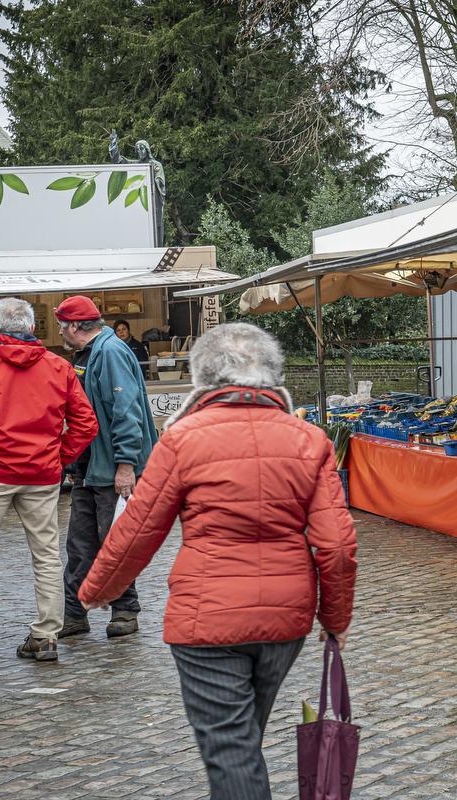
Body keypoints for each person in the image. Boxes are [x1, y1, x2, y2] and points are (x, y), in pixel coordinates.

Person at [78, 323, 356, 800]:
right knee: (243, 742)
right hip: (284, 620)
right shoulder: (309, 440)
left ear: (203, 378)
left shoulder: (183, 439)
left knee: (232, 748)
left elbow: (138, 531)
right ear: (271, 376)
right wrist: (335, 619)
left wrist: (95, 592)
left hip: (205, 619)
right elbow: (336, 546)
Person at [0, 298, 98, 666]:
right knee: (46, 555)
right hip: (41, 473)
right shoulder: (57, 366)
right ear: (32, 328)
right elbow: (86, 422)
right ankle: (46, 636)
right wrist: (59, 458)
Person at [57, 296, 157, 640]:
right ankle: (75, 612)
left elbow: (126, 411)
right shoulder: (87, 354)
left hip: (112, 468)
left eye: (61, 325)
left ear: (74, 326)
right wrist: (74, 462)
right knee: (80, 544)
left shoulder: (110, 352)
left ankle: (125, 610)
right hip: (90, 468)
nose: (59, 332)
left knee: (113, 542)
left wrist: (126, 465)